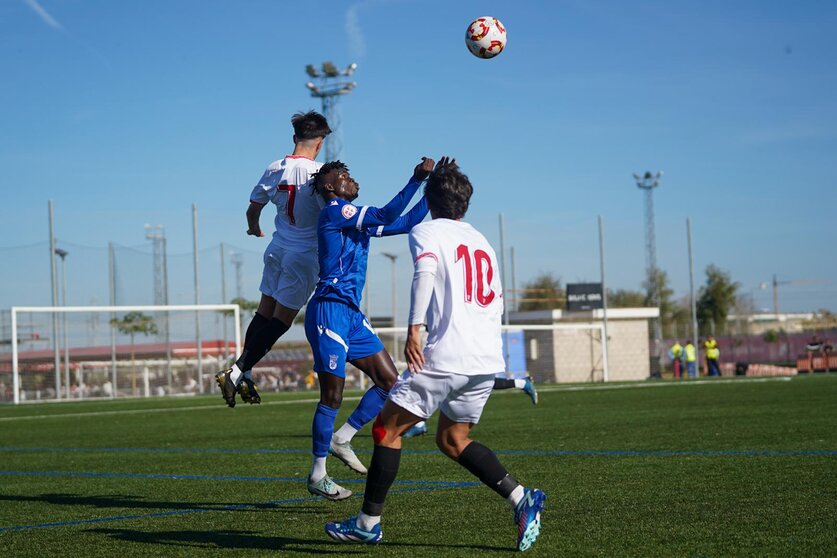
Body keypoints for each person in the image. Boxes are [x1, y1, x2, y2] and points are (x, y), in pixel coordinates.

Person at [324, 158, 545, 551]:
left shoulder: (427, 231)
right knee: (453, 439)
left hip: (445, 357)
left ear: (430, 199)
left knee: (385, 430)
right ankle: (521, 497)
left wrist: (415, 329)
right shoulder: (482, 240)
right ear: (465, 203)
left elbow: (424, 274)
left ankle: (366, 524)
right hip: (485, 360)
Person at [303, 156, 435, 500]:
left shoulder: (355, 221)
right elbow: (387, 214)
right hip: (328, 311)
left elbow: (404, 222)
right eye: (343, 175)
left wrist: (432, 192)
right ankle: (318, 474)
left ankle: (342, 438)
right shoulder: (335, 210)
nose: (350, 178)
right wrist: (415, 179)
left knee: (391, 382)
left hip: (351, 314)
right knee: (332, 394)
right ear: (330, 186)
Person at [215, 111, 330, 408]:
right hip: (304, 256)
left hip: (276, 249)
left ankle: (245, 371)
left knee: (264, 311)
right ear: (319, 144)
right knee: (281, 321)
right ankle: (238, 369)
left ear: (295, 139)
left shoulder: (274, 168)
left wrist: (254, 229)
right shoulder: (321, 173)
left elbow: (252, 210)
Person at [402, 376, 539, 438]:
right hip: (465, 353)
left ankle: (419, 424)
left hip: (469, 353)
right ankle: (522, 383)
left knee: (441, 383)